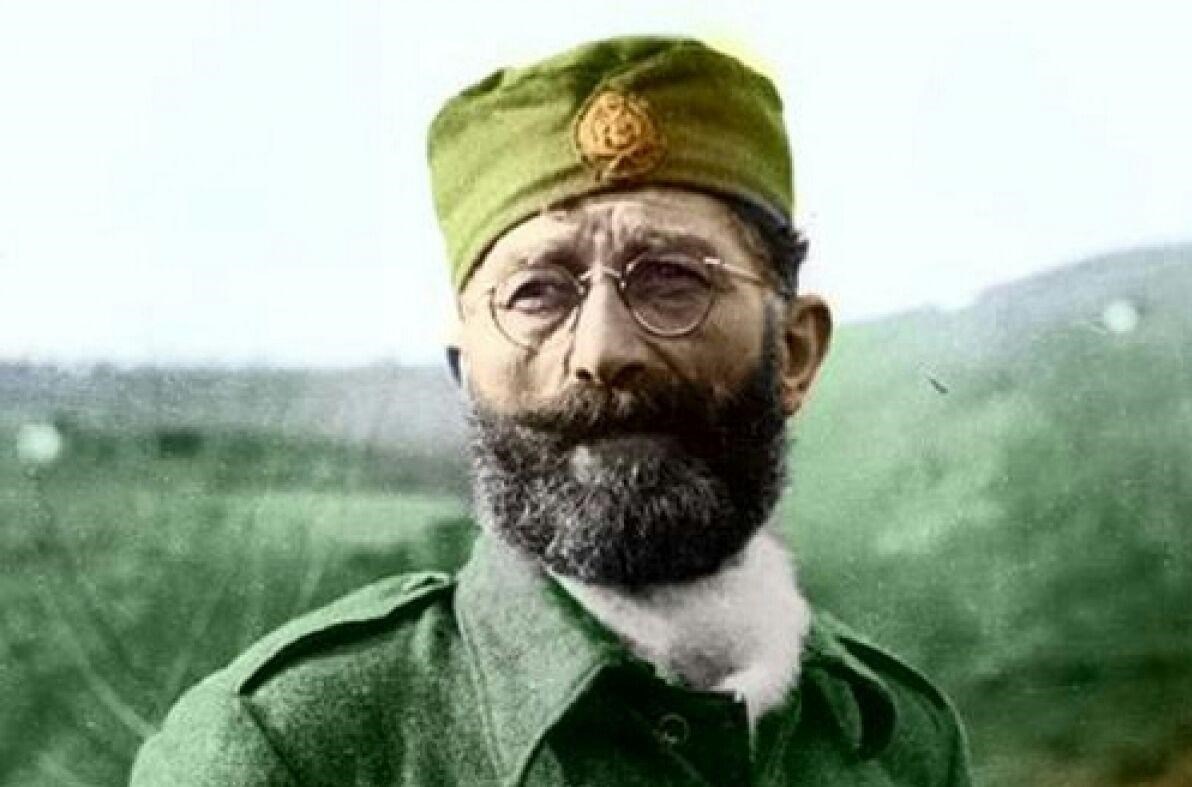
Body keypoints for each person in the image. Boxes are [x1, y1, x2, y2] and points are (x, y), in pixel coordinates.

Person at [131, 36, 972, 786]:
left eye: (673, 279)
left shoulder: (895, 741)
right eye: (537, 292)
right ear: (467, 371)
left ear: (792, 352)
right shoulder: (284, 753)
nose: (601, 349)